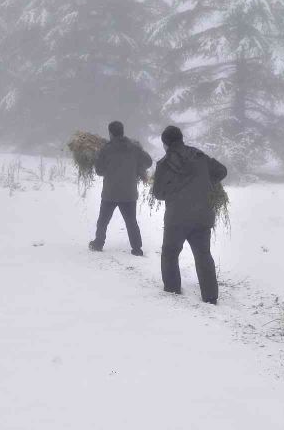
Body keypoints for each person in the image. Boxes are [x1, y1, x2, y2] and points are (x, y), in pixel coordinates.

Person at [153, 126, 227, 305]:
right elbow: (222, 171)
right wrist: (207, 183)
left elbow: (158, 194)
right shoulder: (199, 156)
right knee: (203, 255)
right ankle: (210, 296)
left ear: (165, 144)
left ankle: (172, 289)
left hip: (176, 219)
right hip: (202, 215)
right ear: (181, 138)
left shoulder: (164, 164)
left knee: (170, 253)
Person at [89, 121, 152, 256]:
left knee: (103, 220)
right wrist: (136, 167)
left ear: (110, 133)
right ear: (122, 131)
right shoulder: (134, 148)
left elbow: (99, 170)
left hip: (110, 193)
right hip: (129, 193)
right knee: (131, 222)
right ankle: (137, 249)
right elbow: (148, 162)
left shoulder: (106, 149)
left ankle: (98, 243)